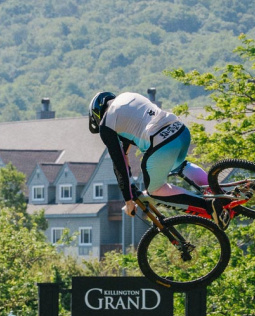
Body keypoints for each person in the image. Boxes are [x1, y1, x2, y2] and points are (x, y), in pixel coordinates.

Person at [88, 91, 231, 229]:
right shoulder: (127, 98)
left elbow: (119, 163)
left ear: (97, 114)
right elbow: (125, 154)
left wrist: (128, 199)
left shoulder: (106, 125)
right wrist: (131, 189)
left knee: (155, 189)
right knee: (179, 165)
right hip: (180, 131)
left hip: (162, 143)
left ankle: (209, 205)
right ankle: (221, 193)